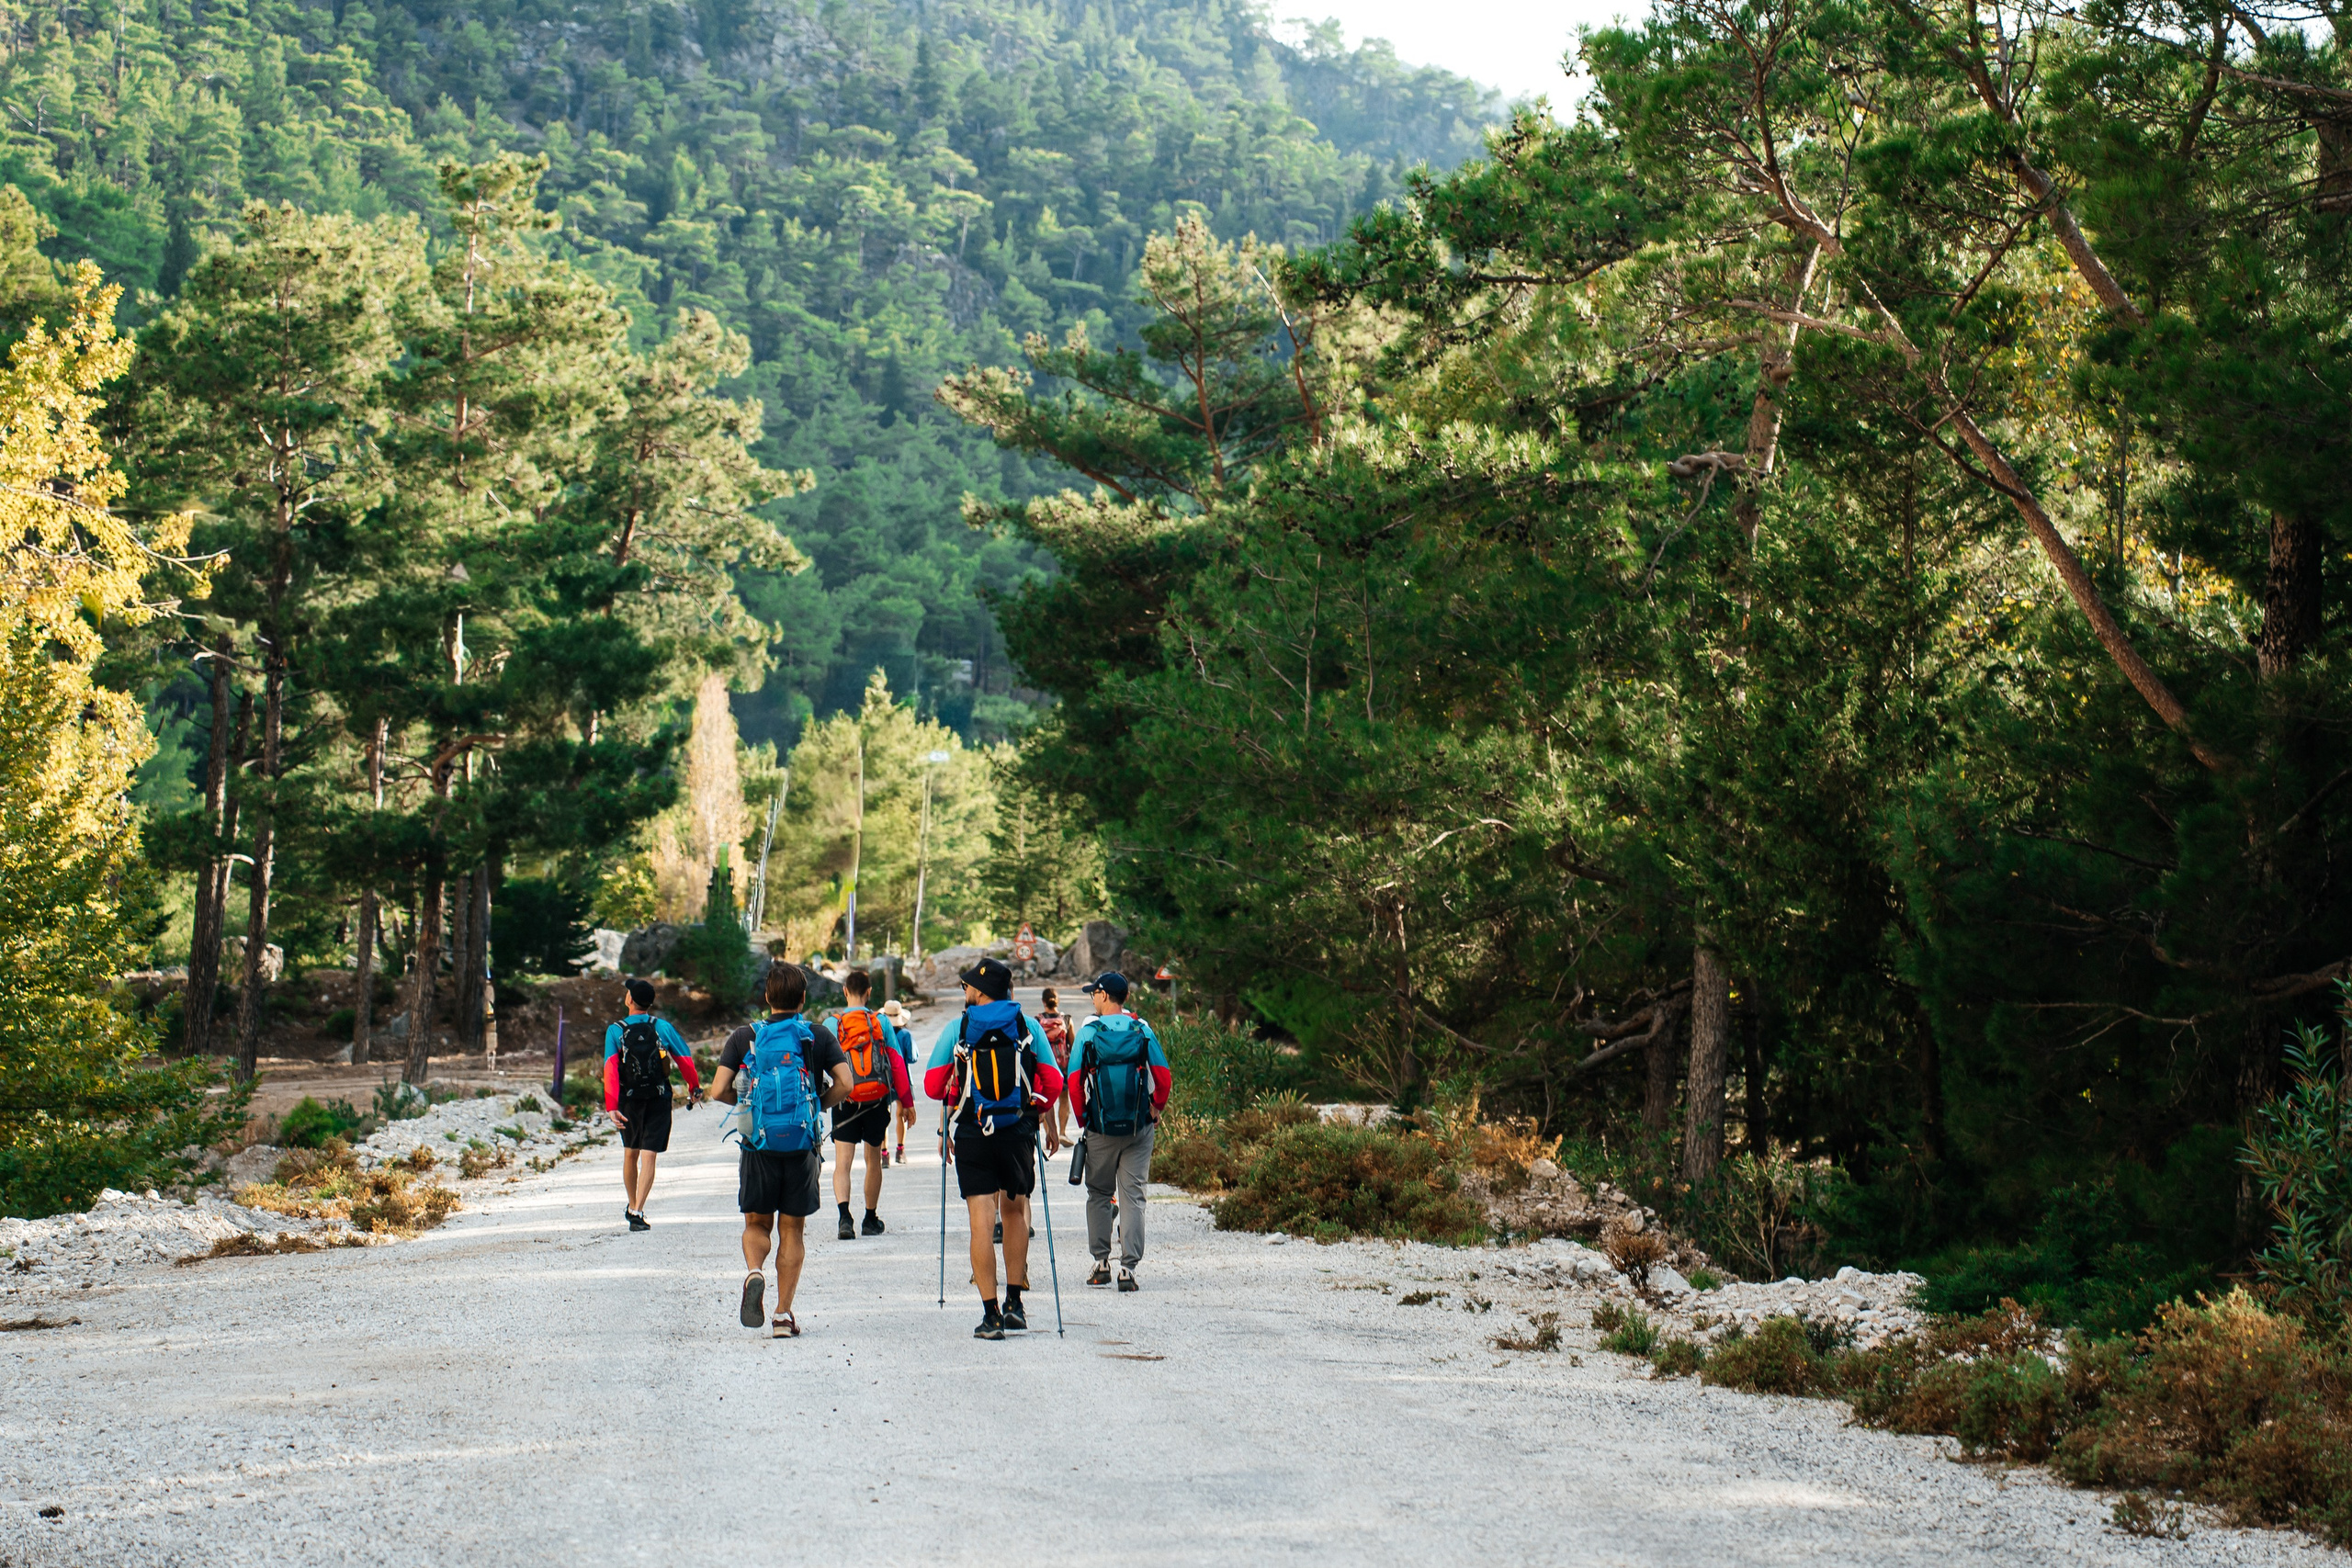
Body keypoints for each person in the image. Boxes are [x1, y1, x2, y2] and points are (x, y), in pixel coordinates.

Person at [923, 956, 1063, 1339]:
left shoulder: (959, 1027)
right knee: (1015, 1213)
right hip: (1017, 1130)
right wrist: (1032, 1110)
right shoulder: (1027, 1024)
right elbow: (1053, 1083)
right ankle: (1015, 1303)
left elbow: (934, 1087)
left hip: (972, 1133)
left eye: (968, 986)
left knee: (981, 1222)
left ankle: (991, 1315)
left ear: (982, 991)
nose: (965, 990)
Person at [710, 963, 851, 1338]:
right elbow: (846, 1083)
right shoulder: (817, 1036)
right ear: (803, 998)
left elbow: (717, 1089)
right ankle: (782, 1316)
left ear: (767, 997)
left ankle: (755, 1271)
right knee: (793, 1231)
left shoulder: (746, 1036)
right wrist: (817, 1105)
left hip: (758, 1146)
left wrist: (746, 1106)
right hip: (802, 1145)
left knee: (757, 1224)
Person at [1067, 971, 1171, 1292]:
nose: (1092, 999)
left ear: (1102, 995)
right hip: (1139, 1126)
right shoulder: (1142, 1029)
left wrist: (1085, 1120)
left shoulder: (1088, 1032)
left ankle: (1101, 1264)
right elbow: (1163, 1078)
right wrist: (1155, 1108)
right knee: (1133, 1195)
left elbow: (1073, 1081)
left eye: (1093, 994)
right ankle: (1128, 1269)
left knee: (1099, 1193)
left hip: (1100, 1128)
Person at [603, 977, 701, 1231]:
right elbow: (685, 1059)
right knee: (649, 1157)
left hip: (629, 1100)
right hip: (658, 1098)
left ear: (629, 1000)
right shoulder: (663, 1027)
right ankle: (637, 1210)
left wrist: (612, 1105)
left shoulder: (615, 1030)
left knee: (630, 1153)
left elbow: (611, 1069)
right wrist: (694, 1087)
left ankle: (631, 1203)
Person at [828, 968, 912, 1239]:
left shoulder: (833, 1025)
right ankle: (869, 1217)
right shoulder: (882, 1022)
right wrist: (906, 1102)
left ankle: (844, 1218)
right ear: (869, 992)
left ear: (844, 991)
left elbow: (820, 1066)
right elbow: (897, 1064)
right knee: (872, 1159)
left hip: (845, 1099)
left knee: (843, 1162)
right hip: (877, 1100)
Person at [1037, 987, 1076, 1145]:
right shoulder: (1066, 1020)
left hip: (1046, 1066)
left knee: (1046, 1100)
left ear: (1043, 1002)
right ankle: (1062, 1132)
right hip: (1063, 1065)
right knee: (1064, 1099)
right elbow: (1072, 1044)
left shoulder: (1038, 1020)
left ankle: (1048, 1133)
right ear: (1057, 1001)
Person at [884, 998, 916, 1164]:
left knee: (884, 1114)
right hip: (903, 1078)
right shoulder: (905, 1035)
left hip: (884, 1077)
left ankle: (884, 1154)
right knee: (901, 1114)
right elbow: (912, 1057)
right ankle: (900, 1150)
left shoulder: (880, 1033)